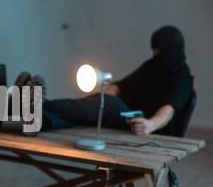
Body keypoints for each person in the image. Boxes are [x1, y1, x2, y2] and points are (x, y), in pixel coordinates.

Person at [17, 26, 195, 135]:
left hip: (137, 123)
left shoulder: (183, 80)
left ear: (173, 50)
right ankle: (36, 120)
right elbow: (119, 86)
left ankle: (34, 104)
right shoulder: (153, 65)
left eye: (160, 51)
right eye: (155, 51)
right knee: (81, 113)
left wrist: (150, 125)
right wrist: (99, 98)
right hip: (117, 111)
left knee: (108, 105)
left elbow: (168, 110)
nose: (156, 55)